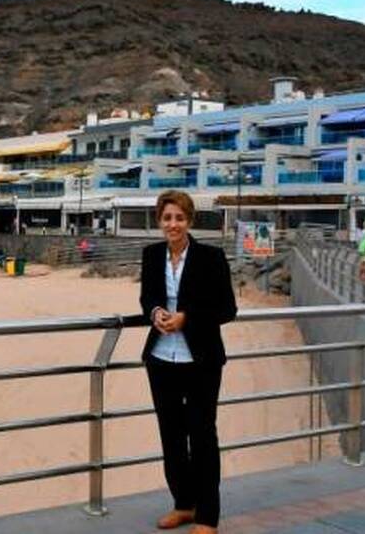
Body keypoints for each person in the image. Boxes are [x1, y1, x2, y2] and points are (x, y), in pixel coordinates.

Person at [139, 190, 237, 533]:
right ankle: (184, 504)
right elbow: (147, 297)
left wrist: (186, 318)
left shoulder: (211, 256)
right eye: (167, 218)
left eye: (179, 217)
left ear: (189, 220)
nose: (173, 224)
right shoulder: (151, 255)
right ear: (159, 221)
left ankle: (208, 516)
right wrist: (156, 313)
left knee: (202, 436)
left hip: (202, 360)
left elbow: (227, 309)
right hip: (161, 358)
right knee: (172, 436)